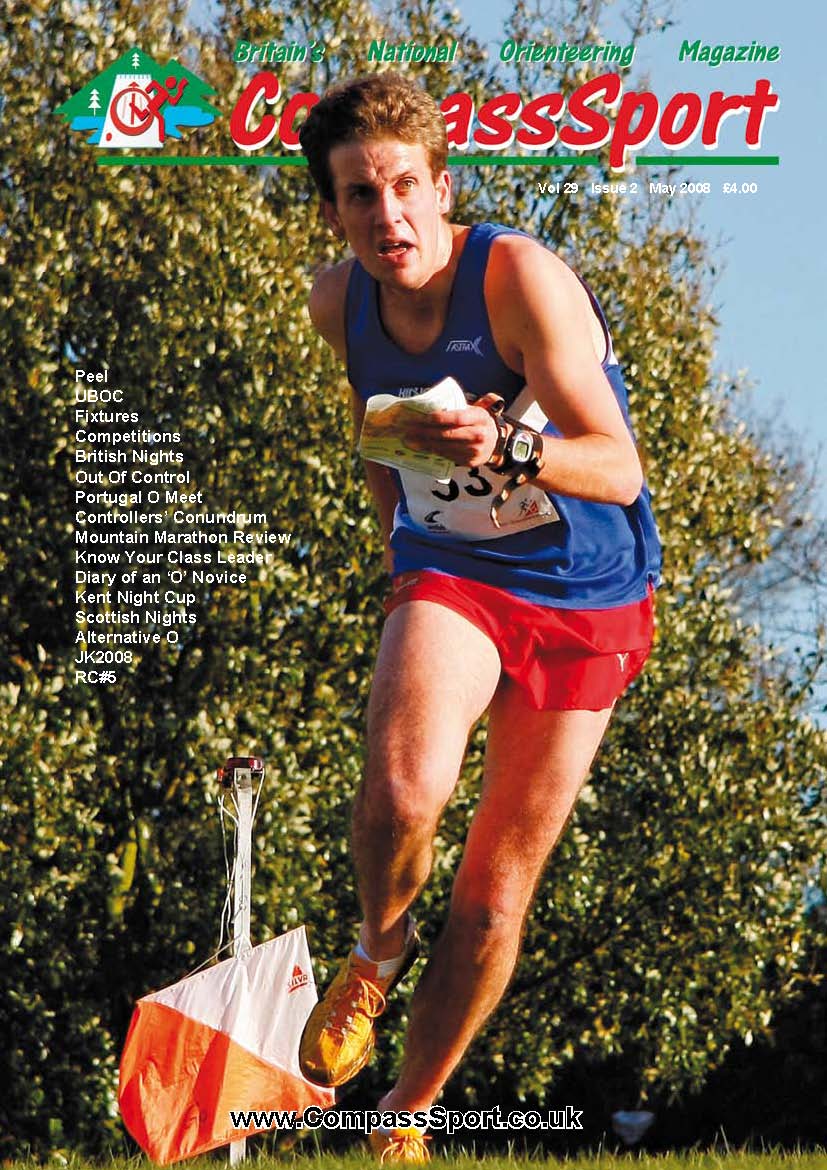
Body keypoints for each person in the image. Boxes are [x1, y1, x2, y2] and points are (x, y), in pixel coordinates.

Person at [297, 73, 661, 1163]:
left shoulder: (517, 278)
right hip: (453, 566)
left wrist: (510, 444)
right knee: (401, 788)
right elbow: (379, 426)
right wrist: (399, 556)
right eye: (360, 195)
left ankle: (405, 1116)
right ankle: (377, 952)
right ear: (332, 209)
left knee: (495, 895)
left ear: (441, 186)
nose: (388, 216)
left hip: (585, 589)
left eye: (405, 186)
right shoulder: (337, 303)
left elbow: (619, 467)